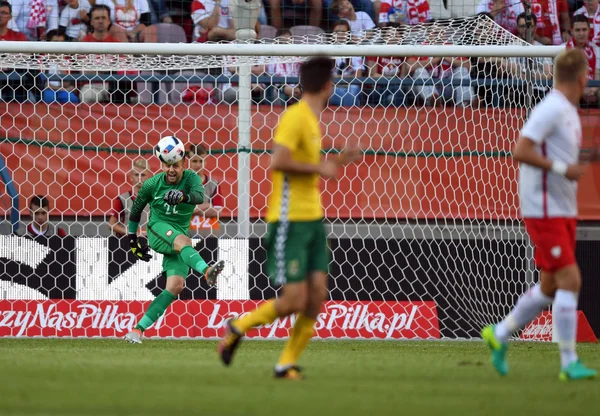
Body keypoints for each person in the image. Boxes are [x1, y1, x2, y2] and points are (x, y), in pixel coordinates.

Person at [218, 57, 361, 379]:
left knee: (316, 297)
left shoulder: (312, 120)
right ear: (328, 85)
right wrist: (322, 167)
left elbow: (306, 166)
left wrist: (337, 160)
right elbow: (278, 162)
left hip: (312, 219)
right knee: (295, 300)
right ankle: (237, 326)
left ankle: (286, 364)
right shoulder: (295, 117)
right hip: (289, 220)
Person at [481, 48, 597, 381]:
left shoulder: (567, 111)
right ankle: (568, 363)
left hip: (563, 207)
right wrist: (563, 167)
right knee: (571, 280)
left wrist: (585, 157)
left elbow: (557, 154)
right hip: (543, 208)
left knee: (549, 286)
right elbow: (521, 149)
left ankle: (500, 334)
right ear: (582, 77)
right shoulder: (550, 108)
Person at [124, 151, 225, 344]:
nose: (171, 169)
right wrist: (131, 239)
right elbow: (136, 211)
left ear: (183, 164)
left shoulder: (192, 178)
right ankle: (207, 271)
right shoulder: (151, 184)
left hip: (178, 236)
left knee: (175, 286)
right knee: (184, 242)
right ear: (161, 165)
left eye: (175, 165)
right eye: (167, 165)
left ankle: (137, 330)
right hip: (157, 229)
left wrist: (181, 196)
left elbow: (197, 196)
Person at [109, 158, 152, 237]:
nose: (139, 178)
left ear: (149, 177)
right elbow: (111, 224)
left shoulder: (155, 199)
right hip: (128, 243)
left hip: (150, 242)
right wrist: (130, 232)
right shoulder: (123, 199)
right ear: (131, 177)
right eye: (136, 175)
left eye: (143, 175)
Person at [187, 144, 223, 236]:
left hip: (210, 234)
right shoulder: (181, 184)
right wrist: (207, 205)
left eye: (201, 161)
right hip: (187, 234)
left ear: (206, 162)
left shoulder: (213, 184)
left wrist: (193, 209)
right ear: (188, 162)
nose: (198, 165)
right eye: (194, 161)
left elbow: (218, 211)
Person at [565, 15, 600, 106]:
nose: (581, 33)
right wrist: (582, 90)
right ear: (572, 31)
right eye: (578, 30)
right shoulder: (563, 49)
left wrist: (593, 89)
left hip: (592, 87)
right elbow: (566, 78)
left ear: (589, 30)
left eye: (584, 30)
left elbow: (597, 74)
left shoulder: (596, 49)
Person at [41, 29, 80, 104]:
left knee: (72, 99)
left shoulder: (69, 60)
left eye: (61, 43)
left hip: (63, 91)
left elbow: (67, 84)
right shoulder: (42, 59)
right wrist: (63, 89)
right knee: (50, 98)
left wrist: (60, 62)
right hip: (49, 91)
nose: (58, 46)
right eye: (55, 42)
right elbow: (45, 85)